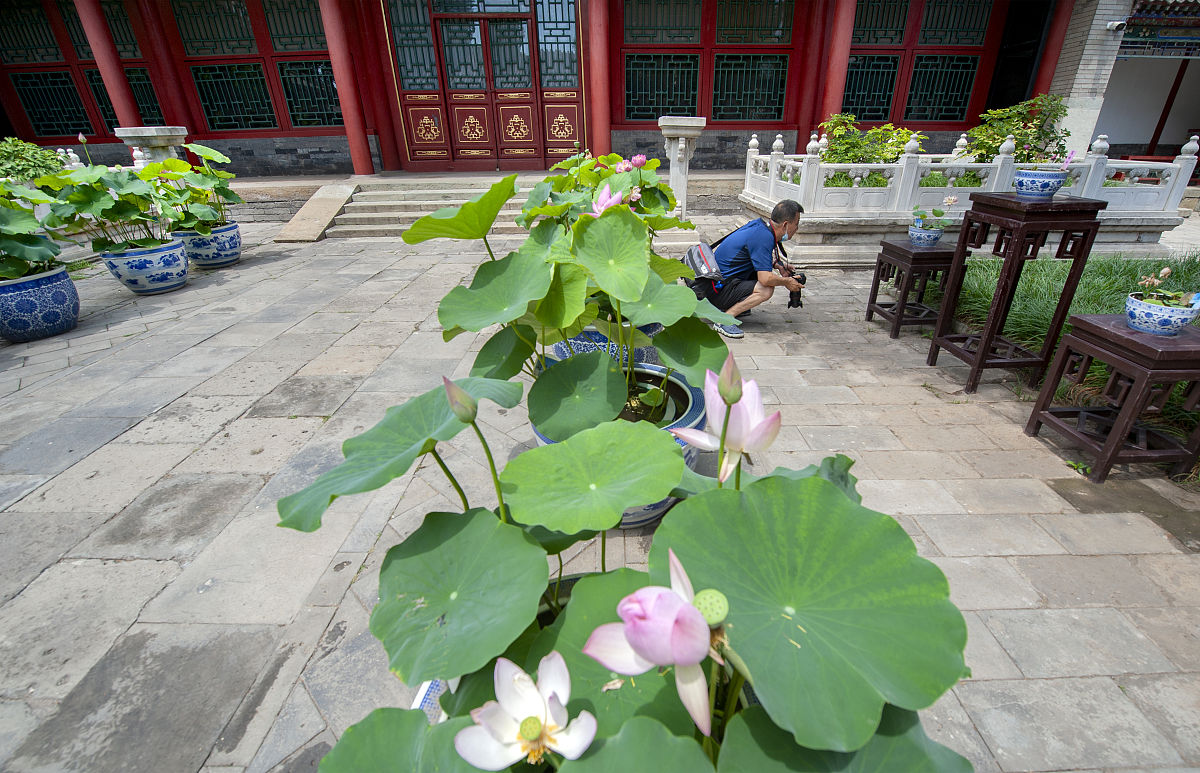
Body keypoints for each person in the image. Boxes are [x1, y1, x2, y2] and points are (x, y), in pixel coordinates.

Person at [704, 200, 806, 339]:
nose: (797, 228)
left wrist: (778, 265)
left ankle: (734, 306)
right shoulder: (764, 237)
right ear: (786, 225)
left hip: (715, 284)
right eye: (797, 223)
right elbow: (765, 278)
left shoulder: (759, 227)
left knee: (763, 276)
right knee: (766, 288)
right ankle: (724, 319)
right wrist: (787, 282)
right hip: (717, 291)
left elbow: (753, 255)